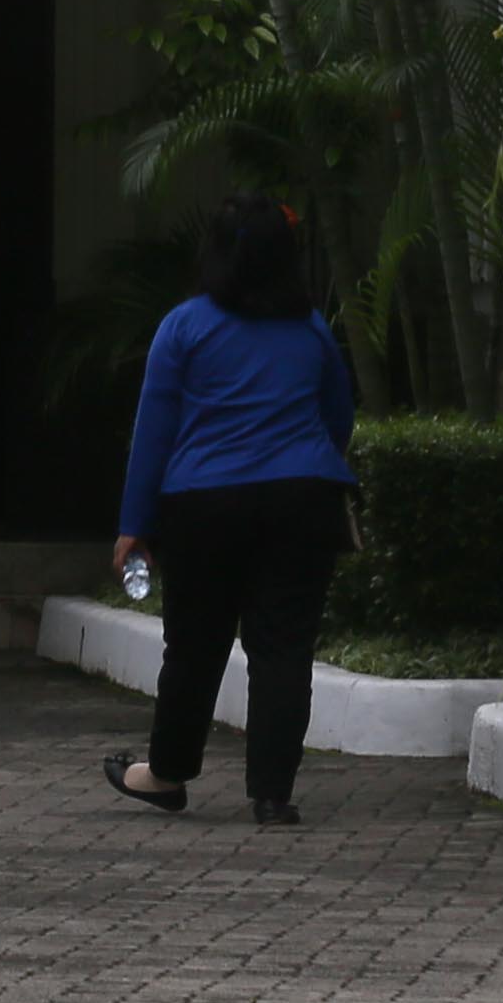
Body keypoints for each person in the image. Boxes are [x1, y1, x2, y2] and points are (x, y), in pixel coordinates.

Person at [105, 194, 358, 826]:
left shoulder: (185, 325)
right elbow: (338, 416)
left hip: (205, 503)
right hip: (304, 499)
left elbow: (154, 432)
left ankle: (165, 775)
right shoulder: (311, 328)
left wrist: (134, 525)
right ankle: (272, 794)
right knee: (283, 646)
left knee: (194, 644)